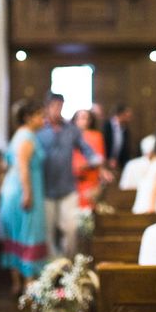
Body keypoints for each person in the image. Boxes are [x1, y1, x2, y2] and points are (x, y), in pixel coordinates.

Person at [37, 92, 103, 258]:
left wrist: (96, 161)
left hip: (67, 187)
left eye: (61, 106)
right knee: (48, 231)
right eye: (54, 106)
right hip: (45, 189)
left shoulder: (71, 129)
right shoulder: (39, 130)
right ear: (47, 107)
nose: (58, 109)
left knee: (71, 228)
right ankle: (53, 266)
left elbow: (87, 150)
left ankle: (67, 262)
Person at [0, 99, 47, 296]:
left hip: (15, 188)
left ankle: (19, 284)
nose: (44, 119)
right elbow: (23, 166)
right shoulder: (26, 136)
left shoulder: (22, 135)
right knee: (28, 233)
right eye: (40, 115)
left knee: (16, 236)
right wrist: (27, 193)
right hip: (23, 190)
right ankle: (29, 286)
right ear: (28, 117)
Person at [71, 109, 109, 209]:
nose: (85, 121)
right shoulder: (69, 136)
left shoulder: (96, 136)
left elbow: (99, 158)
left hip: (90, 178)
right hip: (73, 178)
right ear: (75, 120)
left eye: (87, 118)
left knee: (88, 208)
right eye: (82, 118)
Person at [102, 103, 133, 171]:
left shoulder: (125, 129)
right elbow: (102, 144)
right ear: (121, 114)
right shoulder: (105, 126)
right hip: (105, 162)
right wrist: (108, 160)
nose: (130, 117)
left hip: (118, 164)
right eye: (127, 114)